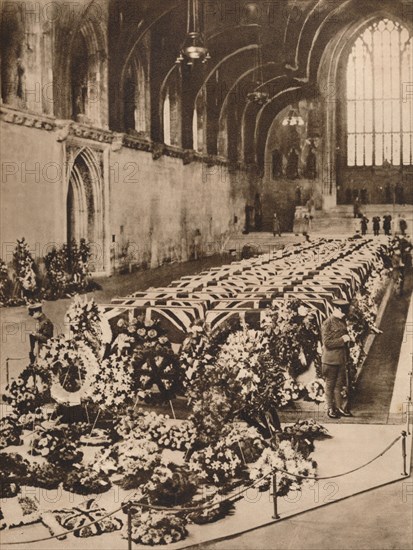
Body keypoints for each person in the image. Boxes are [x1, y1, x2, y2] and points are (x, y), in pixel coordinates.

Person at [321, 299, 352, 418]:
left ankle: (339, 407)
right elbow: (327, 343)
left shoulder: (341, 321)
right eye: (344, 311)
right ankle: (330, 409)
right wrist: (343, 340)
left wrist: (349, 340)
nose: (345, 314)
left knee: (339, 385)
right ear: (338, 309)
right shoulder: (327, 323)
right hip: (330, 360)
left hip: (341, 359)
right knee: (330, 385)